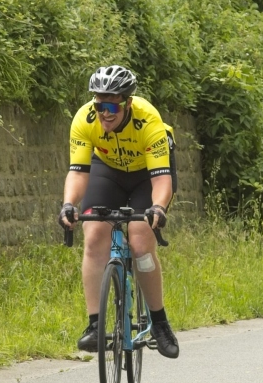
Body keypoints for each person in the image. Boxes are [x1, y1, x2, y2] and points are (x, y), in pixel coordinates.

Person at [58, 65, 179, 359]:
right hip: (108, 169)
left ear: (128, 103)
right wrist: (69, 204)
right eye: (100, 106)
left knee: (140, 242)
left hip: (147, 175)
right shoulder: (84, 119)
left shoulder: (148, 120)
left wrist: (158, 208)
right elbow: (78, 172)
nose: (105, 113)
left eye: (112, 106)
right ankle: (95, 324)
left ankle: (159, 322)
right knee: (94, 235)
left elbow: (161, 180)